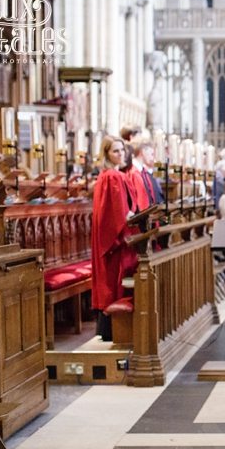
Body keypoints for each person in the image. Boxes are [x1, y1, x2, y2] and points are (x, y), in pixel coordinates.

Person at [90, 136, 139, 341]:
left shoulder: (113, 175)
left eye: (122, 150)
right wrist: (130, 224)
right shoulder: (112, 177)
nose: (120, 154)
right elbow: (116, 213)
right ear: (107, 154)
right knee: (113, 284)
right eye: (115, 151)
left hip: (114, 240)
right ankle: (113, 331)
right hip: (115, 243)